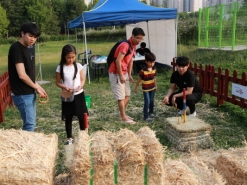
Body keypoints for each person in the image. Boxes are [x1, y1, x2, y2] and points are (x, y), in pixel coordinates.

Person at [8, 22, 47, 132]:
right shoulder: (16, 48)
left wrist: (38, 87)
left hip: (29, 92)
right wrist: (36, 87)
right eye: (30, 36)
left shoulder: (26, 48)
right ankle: (27, 148)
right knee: (29, 124)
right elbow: (22, 75)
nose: (32, 39)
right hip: (22, 94)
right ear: (22, 33)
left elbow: (29, 74)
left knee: (31, 123)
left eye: (35, 37)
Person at [108, 27, 145, 124]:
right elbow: (118, 60)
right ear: (132, 36)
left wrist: (129, 74)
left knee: (127, 95)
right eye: (137, 38)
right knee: (121, 96)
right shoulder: (125, 45)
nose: (139, 40)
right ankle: (123, 117)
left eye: (141, 38)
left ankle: (122, 114)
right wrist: (121, 75)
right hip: (116, 73)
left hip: (124, 72)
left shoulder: (133, 46)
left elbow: (130, 60)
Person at [56, 44, 88, 145]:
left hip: (78, 94)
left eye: (73, 57)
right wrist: (64, 87)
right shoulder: (60, 67)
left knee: (81, 116)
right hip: (67, 95)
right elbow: (57, 82)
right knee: (68, 116)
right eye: (68, 57)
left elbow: (83, 79)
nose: (71, 59)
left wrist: (81, 86)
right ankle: (69, 138)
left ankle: (83, 135)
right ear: (64, 56)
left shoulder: (78, 66)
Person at [134, 53, 157, 122]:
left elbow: (154, 78)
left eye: (153, 62)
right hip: (146, 89)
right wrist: (136, 87)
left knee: (152, 101)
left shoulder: (154, 68)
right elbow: (138, 80)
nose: (152, 64)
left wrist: (156, 86)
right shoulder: (143, 71)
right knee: (147, 102)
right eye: (150, 62)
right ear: (146, 61)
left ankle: (151, 113)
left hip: (152, 88)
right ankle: (145, 116)